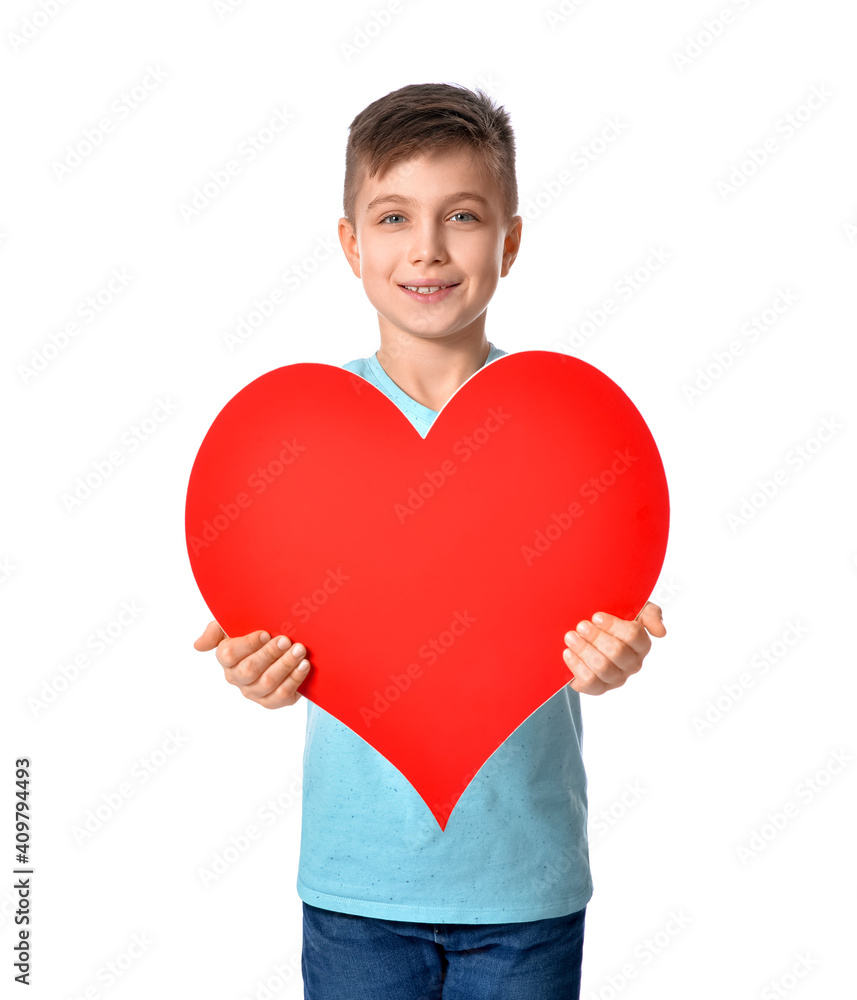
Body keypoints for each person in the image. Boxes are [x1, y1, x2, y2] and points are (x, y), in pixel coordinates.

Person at [194, 82, 666, 1000]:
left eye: (461, 215)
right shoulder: (299, 440)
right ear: (350, 245)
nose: (427, 248)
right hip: (357, 892)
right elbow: (285, 629)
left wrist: (611, 657)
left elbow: (599, 617)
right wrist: (260, 671)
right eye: (393, 216)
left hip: (523, 890)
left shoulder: (564, 433)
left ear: (509, 241)